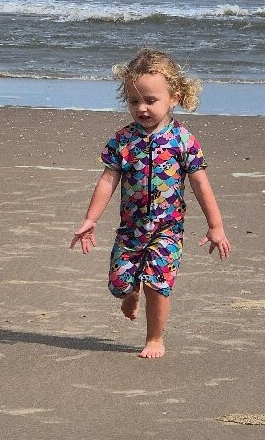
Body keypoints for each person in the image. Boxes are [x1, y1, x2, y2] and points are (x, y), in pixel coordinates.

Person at [70, 48, 231, 359]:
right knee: (118, 283)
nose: (141, 108)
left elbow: (200, 182)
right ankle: (129, 292)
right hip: (130, 229)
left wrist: (216, 226)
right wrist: (91, 219)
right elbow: (108, 180)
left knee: (158, 282)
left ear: (174, 96)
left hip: (168, 229)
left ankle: (155, 338)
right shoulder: (123, 140)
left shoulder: (183, 141)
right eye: (134, 101)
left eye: (150, 100)